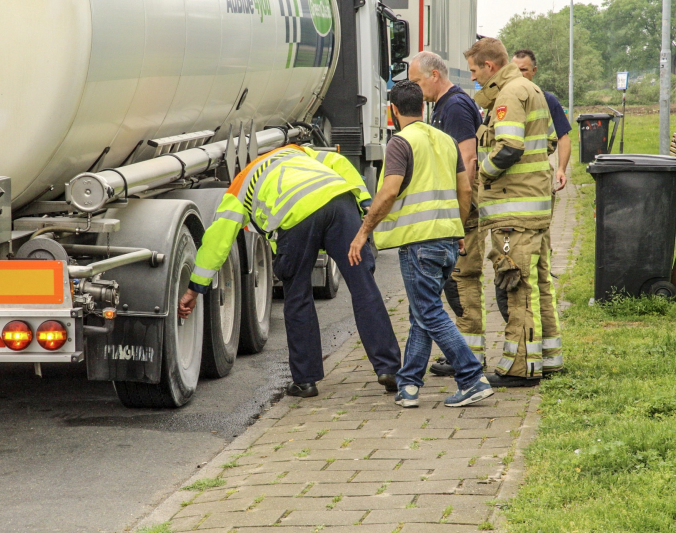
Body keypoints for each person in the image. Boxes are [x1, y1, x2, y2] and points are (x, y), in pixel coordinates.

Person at [178, 144, 401, 398]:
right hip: (338, 200)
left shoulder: (240, 185)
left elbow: (217, 242)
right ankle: (390, 369)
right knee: (364, 287)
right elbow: (340, 163)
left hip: (295, 216)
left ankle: (306, 381)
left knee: (298, 297)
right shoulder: (297, 151)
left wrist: (195, 288)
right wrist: (365, 201)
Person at [348, 80, 493, 408]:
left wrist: (363, 232)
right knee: (421, 312)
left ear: (393, 110)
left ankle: (471, 377)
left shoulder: (400, 142)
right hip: (447, 241)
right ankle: (409, 384)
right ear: (422, 107)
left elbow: (389, 191)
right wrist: (458, 229)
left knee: (428, 311)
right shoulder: (446, 140)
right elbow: (465, 190)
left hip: (419, 243)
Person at [464, 37, 562, 387]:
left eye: (474, 70)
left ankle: (520, 368)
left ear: (489, 66)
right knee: (540, 285)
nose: (473, 77)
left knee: (516, 285)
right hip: (535, 207)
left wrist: (482, 176)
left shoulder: (508, 95)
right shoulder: (531, 89)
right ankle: (549, 358)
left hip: (514, 212)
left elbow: (508, 148)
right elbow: (549, 141)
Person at [407, 51, 487, 374]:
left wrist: (459, 214)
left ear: (435, 75)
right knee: (455, 280)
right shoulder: (445, 105)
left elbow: (468, 159)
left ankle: (469, 357)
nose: (415, 89)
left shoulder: (453, 106)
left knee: (462, 278)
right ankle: (465, 352)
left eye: (417, 81)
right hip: (458, 206)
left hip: (462, 207)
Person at [512, 49, 571, 193]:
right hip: (509, 179)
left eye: (523, 70)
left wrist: (561, 169)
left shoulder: (547, 100)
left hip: (537, 179)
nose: (519, 74)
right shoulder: (503, 100)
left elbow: (563, 138)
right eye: (515, 70)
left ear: (534, 71)